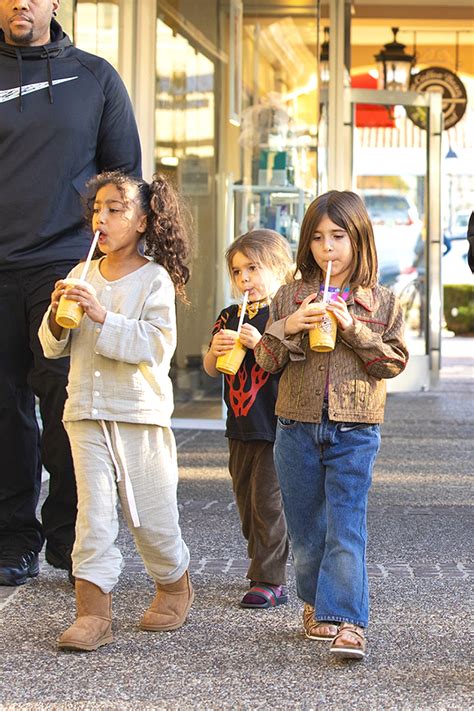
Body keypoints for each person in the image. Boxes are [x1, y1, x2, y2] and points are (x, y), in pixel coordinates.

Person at [0, 0, 141, 587]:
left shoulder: (95, 77)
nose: (20, 2)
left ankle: (69, 536)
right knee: (4, 413)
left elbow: (124, 176)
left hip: (67, 267)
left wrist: (117, 266)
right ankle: (13, 538)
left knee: (66, 407)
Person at [38, 170, 193, 652]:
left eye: (115, 210)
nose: (101, 219)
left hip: (139, 412)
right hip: (84, 409)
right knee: (94, 514)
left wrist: (104, 316)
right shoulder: (81, 273)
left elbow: (156, 345)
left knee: (150, 513)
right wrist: (56, 315)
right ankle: (92, 610)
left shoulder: (155, 279)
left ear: (143, 221)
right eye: (97, 210)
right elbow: (51, 347)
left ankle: (173, 583)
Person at [254, 191, 409, 659]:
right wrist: (290, 325)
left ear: (358, 239)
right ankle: (316, 601)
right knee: (305, 528)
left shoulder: (381, 301)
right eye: (318, 238)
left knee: (346, 524)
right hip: (295, 424)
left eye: (338, 237)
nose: (328, 248)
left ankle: (349, 623)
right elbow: (264, 360)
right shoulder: (288, 296)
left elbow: (393, 362)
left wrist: (353, 328)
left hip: (355, 428)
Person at [203, 230, 291, 609]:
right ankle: (261, 562)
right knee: (246, 503)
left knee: (269, 502)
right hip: (239, 425)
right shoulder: (229, 315)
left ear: (280, 269)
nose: (245, 279)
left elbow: (291, 366)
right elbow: (211, 368)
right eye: (237, 272)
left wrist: (262, 345)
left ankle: (270, 577)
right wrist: (215, 350)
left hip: (275, 426)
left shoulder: (286, 313)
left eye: (253, 269)